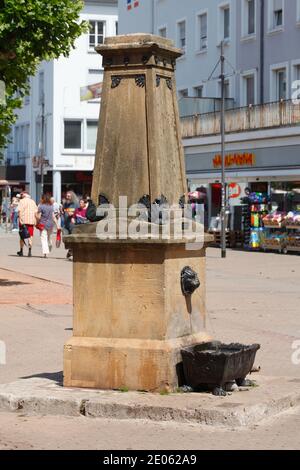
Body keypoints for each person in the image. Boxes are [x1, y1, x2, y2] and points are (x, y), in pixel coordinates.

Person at [17, 192, 38, 257]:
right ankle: (29, 251)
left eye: (22, 195)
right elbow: (36, 212)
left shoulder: (22, 201)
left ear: (24, 195)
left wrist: (20, 219)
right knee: (30, 236)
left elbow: (19, 211)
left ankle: (21, 251)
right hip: (31, 221)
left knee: (22, 236)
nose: (21, 196)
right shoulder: (33, 202)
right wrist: (35, 221)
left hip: (23, 221)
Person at [62, 191, 78, 259]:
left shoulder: (76, 204)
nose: (67, 197)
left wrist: (73, 214)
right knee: (65, 238)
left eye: (69, 196)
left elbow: (80, 212)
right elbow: (64, 211)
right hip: (66, 224)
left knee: (72, 238)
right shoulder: (65, 204)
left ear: (72, 197)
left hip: (73, 225)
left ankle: (71, 251)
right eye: (67, 196)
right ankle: (70, 249)